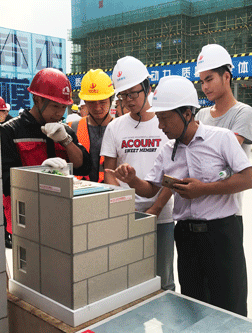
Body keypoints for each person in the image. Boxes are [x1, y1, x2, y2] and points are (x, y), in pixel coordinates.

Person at [106, 75, 252, 316]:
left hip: (222, 234)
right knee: (192, 305)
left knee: (229, 304)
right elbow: (151, 189)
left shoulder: (221, 139)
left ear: (187, 114)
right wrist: (132, 179)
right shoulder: (167, 151)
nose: (160, 126)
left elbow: (249, 179)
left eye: (164, 118)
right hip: (186, 237)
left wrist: (204, 189)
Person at [101, 56, 175, 291]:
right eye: (123, 96)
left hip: (162, 216)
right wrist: (120, 204)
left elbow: (174, 173)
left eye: (133, 93)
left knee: (163, 281)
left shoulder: (165, 124)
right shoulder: (115, 127)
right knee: (128, 281)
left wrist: (156, 208)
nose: (128, 101)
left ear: (148, 88)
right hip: (126, 215)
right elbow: (108, 171)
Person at [0, 68, 92, 248]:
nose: (59, 113)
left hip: (62, 217)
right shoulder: (10, 131)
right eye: (55, 106)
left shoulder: (64, 131)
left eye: (63, 107)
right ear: (38, 99)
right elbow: (5, 181)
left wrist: (66, 141)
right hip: (26, 221)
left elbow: (85, 166)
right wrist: (42, 173)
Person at [194, 43, 252, 225]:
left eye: (209, 79)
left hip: (228, 213)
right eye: (202, 81)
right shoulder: (201, 114)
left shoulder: (243, 112)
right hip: (197, 208)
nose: (205, 87)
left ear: (226, 76)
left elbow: (223, 153)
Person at [68, 69, 114, 182]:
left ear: (110, 100)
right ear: (85, 102)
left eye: (102, 102)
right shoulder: (72, 128)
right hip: (81, 192)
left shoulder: (120, 128)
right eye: (92, 102)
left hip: (112, 191)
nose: (97, 108)